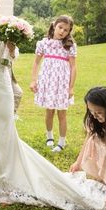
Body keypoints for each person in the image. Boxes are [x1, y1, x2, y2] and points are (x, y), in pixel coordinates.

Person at [0, 0, 106, 210]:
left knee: (3, 133)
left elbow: (12, 56)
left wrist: (10, 47)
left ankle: (4, 185)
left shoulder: (6, 23)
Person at [29, 15, 77, 152]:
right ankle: (49, 137)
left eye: (66, 30)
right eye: (60, 27)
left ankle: (61, 142)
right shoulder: (44, 43)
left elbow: (74, 67)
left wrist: (71, 87)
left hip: (62, 83)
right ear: (54, 26)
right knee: (49, 111)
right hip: (48, 81)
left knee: (62, 114)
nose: (62, 31)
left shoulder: (70, 46)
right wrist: (33, 80)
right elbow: (36, 62)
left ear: (69, 32)